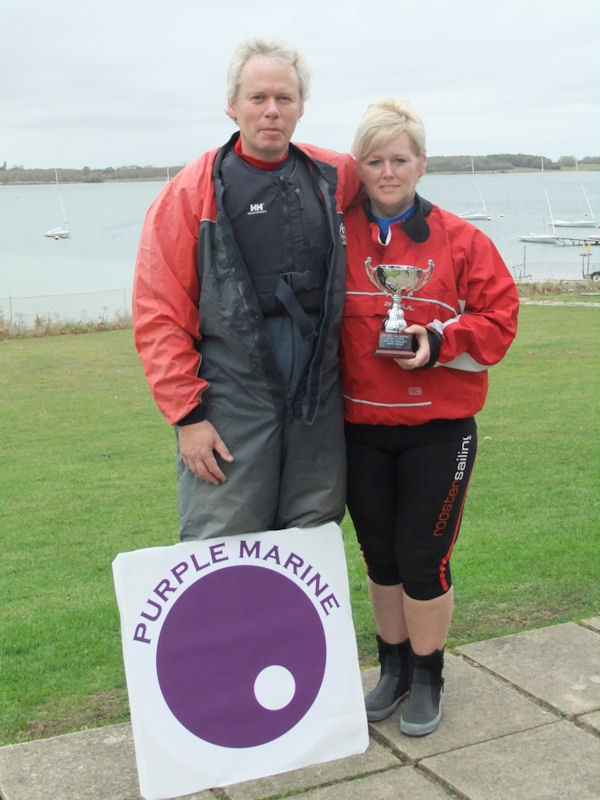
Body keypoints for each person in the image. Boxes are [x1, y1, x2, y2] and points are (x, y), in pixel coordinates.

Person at [340, 98, 519, 736]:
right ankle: (389, 670)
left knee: (424, 560)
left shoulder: (463, 238)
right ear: (357, 166)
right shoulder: (338, 231)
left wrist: (440, 340)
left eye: (400, 159)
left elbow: (501, 320)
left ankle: (427, 674)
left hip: (438, 434)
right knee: (379, 559)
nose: (387, 172)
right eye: (375, 160)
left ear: (422, 164)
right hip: (359, 430)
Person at [132, 38, 359, 541]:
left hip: (315, 402)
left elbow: (396, 193)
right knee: (224, 539)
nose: (272, 111)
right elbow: (159, 311)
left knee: (312, 534)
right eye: (258, 98)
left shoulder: (334, 177)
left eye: (284, 98)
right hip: (230, 403)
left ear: (302, 107)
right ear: (232, 105)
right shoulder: (192, 193)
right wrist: (188, 417)